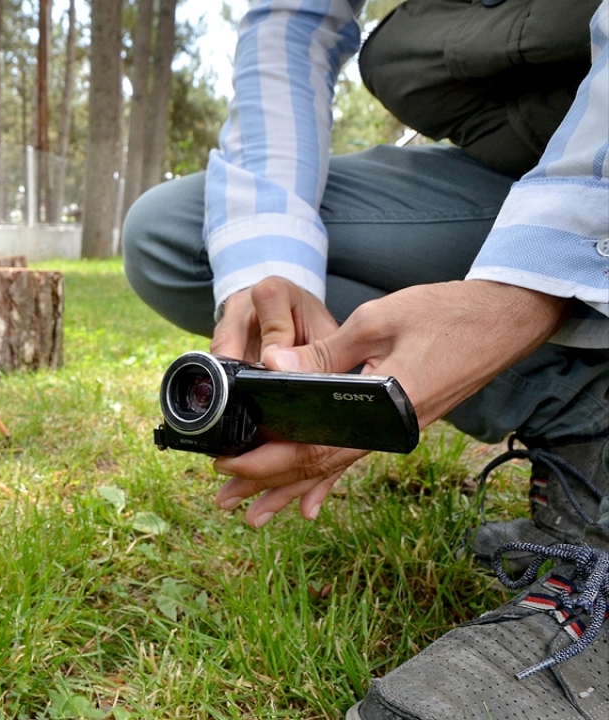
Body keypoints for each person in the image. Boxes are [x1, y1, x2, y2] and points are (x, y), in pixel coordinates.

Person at [121, 0, 609, 715]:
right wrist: (272, 263)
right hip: (542, 151)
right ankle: (588, 416)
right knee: (172, 234)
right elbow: (293, 20)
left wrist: (523, 293)